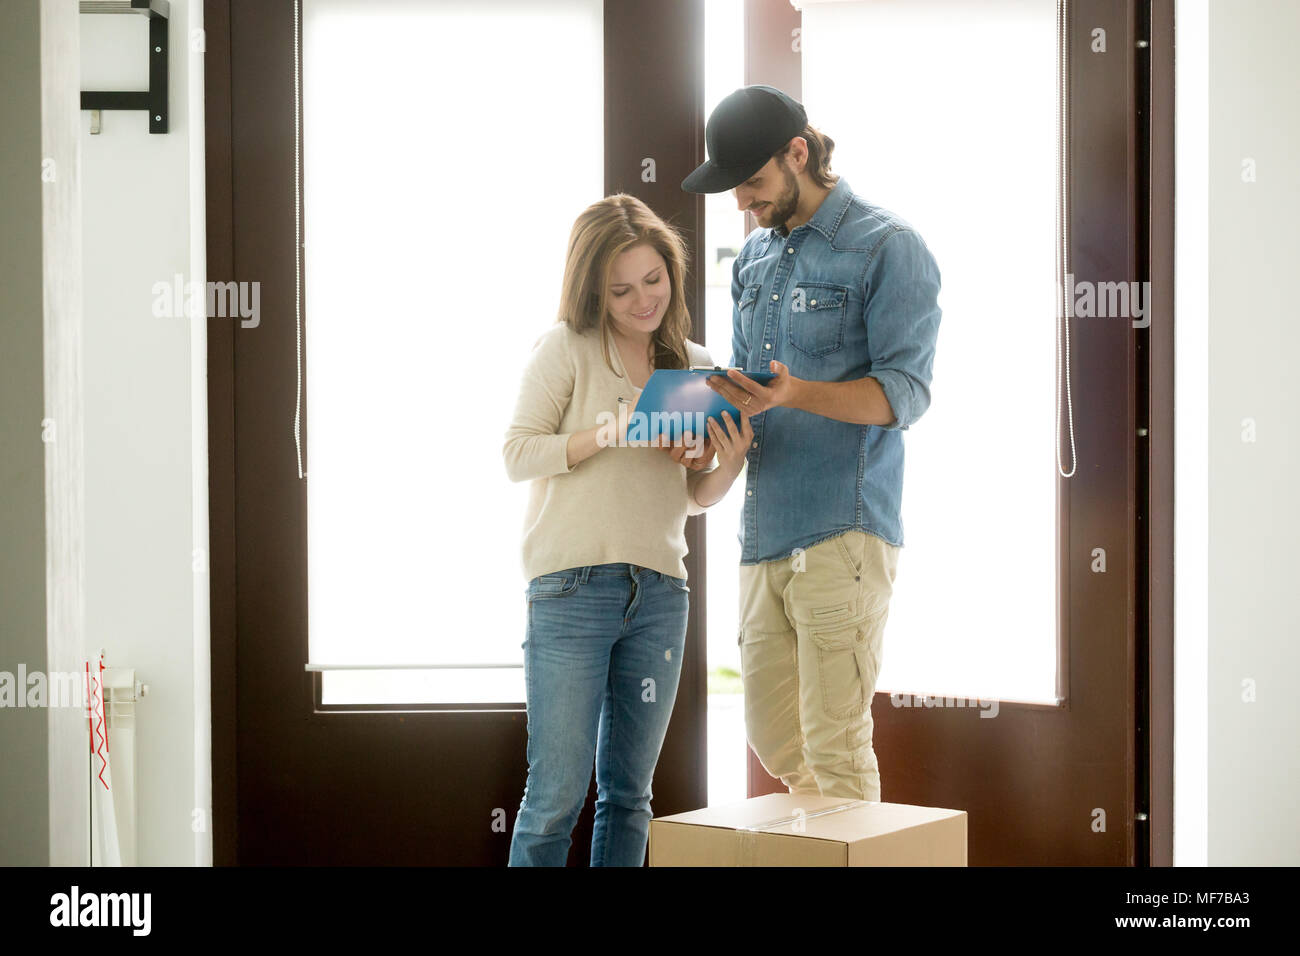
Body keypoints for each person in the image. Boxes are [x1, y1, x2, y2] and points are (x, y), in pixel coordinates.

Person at [681, 84, 943, 803]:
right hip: (765, 530)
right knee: (773, 735)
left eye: (754, 182)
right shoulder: (754, 261)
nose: (742, 201)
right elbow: (749, 390)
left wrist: (797, 393)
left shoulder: (889, 247)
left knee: (835, 742)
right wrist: (704, 428)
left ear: (798, 153)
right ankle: (835, 842)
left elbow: (905, 394)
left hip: (845, 530)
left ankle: (851, 847)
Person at [502, 193, 753, 866]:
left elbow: (694, 496)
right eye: (621, 290)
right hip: (570, 590)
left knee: (629, 794)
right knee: (556, 795)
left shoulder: (695, 364)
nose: (644, 300)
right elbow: (516, 453)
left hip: (660, 594)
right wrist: (607, 433)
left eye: (654, 279)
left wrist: (728, 460)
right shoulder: (566, 349)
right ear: (594, 290)